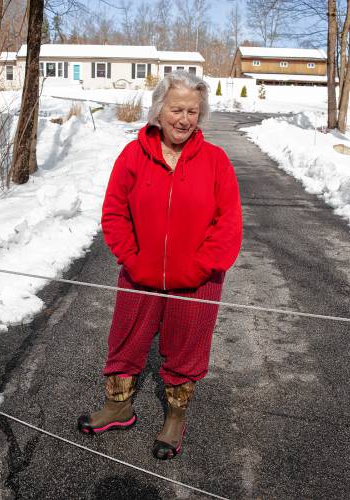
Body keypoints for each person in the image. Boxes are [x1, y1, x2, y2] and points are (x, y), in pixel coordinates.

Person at [77, 71, 243, 460]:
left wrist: (202, 266)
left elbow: (229, 223)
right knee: (126, 338)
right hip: (140, 276)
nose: (184, 119)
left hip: (197, 283)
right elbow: (115, 212)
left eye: (192, 111)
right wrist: (132, 258)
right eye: (176, 109)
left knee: (186, 349)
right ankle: (118, 406)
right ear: (158, 110)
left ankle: (175, 418)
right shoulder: (134, 155)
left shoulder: (216, 161)